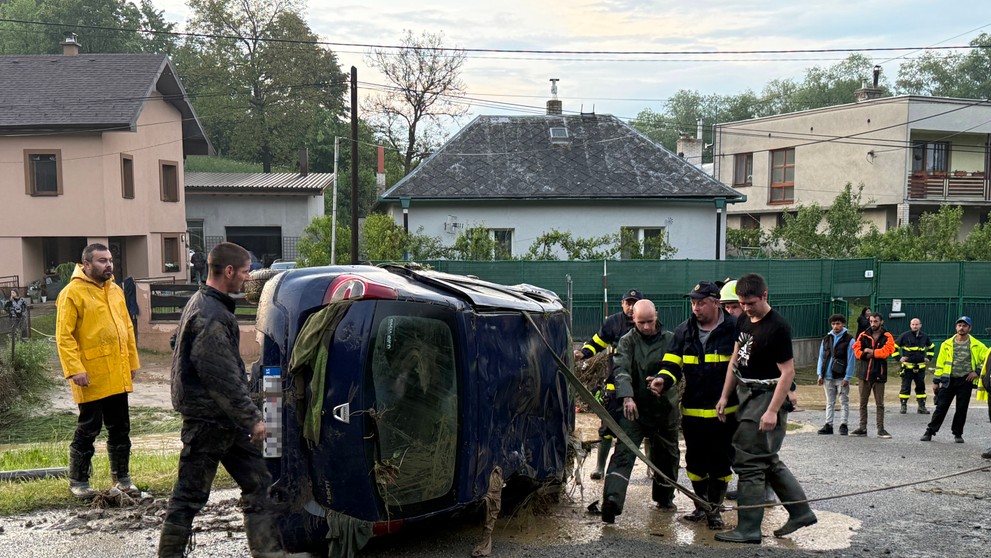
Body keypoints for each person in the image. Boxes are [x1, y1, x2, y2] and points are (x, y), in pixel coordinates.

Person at [159, 242, 284, 557]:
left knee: (258, 482)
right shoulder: (213, 314)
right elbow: (221, 375)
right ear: (228, 271)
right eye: (244, 271)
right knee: (188, 497)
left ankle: (267, 552)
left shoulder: (203, 302)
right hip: (208, 422)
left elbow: (181, 341)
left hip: (223, 422)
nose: (247, 277)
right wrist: (253, 419)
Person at [715, 273, 816, 544]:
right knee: (767, 459)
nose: (746, 308)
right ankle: (801, 511)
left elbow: (787, 372)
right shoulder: (744, 321)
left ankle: (748, 528)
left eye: (751, 303)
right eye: (741, 303)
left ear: (764, 296)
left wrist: (772, 411)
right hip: (745, 393)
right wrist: (725, 396)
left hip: (766, 396)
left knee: (749, 461)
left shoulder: (777, 327)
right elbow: (736, 360)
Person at [649, 281, 737, 529]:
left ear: (715, 303)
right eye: (693, 302)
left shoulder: (734, 330)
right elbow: (672, 365)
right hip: (693, 411)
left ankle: (715, 510)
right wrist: (661, 381)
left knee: (720, 463)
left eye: (701, 303)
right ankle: (701, 506)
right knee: (696, 463)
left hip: (725, 414)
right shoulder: (683, 331)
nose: (695, 308)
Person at [55, 243, 141, 500]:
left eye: (110, 260)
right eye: (102, 260)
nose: (109, 265)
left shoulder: (116, 291)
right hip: (89, 376)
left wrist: (132, 363)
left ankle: (122, 479)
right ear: (87, 264)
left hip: (117, 371)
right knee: (88, 428)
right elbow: (64, 337)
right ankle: (79, 481)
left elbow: (126, 329)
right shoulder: (72, 293)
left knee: (120, 427)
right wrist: (74, 370)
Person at [600, 299, 676, 524]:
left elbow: (675, 367)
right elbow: (621, 368)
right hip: (634, 410)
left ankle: (664, 497)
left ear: (657, 316)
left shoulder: (670, 339)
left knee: (667, 457)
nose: (646, 327)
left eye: (649, 322)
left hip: (664, 409)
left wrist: (663, 379)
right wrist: (627, 396)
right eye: (641, 322)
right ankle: (611, 502)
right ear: (633, 319)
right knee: (623, 453)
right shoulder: (627, 341)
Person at [575, 289, 642, 481]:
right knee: (606, 428)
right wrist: (582, 353)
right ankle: (600, 468)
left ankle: (651, 469)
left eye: (634, 303)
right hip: (614, 387)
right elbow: (597, 342)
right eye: (627, 302)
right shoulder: (613, 323)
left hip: (640, 387)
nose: (630, 307)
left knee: (645, 429)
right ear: (622, 304)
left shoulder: (646, 323)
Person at [920, 317, 989, 444]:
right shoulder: (947, 344)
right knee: (941, 407)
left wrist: (977, 372)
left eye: (964, 325)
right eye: (959, 325)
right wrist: (936, 381)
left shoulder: (977, 345)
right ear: (956, 327)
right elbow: (940, 363)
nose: (961, 328)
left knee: (961, 408)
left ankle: (958, 434)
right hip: (948, 380)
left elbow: (987, 358)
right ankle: (930, 431)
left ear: (970, 328)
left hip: (965, 381)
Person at [851, 313, 896, 438]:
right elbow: (856, 350)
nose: (873, 324)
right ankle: (862, 428)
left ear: (881, 322)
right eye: (871, 321)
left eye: (875, 321)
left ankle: (881, 429)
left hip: (879, 374)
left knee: (880, 404)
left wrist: (872, 352)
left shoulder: (887, 336)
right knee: (862, 403)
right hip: (864, 374)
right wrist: (865, 354)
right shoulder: (863, 334)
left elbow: (888, 351)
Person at [816, 314, 854, 436]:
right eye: (833, 324)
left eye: (838, 323)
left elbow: (851, 359)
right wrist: (819, 374)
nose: (835, 326)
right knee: (829, 401)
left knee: (844, 401)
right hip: (827, 376)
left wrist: (847, 377)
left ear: (843, 324)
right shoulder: (826, 339)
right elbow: (821, 357)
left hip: (841, 376)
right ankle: (828, 424)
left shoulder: (849, 340)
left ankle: (844, 424)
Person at [893, 318, 934, 415]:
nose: (915, 326)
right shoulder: (904, 336)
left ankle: (921, 407)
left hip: (920, 368)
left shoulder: (924, 336)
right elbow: (894, 347)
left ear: (920, 325)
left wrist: (928, 357)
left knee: (921, 387)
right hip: (907, 368)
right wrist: (899, 358)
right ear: (910, 325)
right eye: (913, 324)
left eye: (916, 324)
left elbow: (931, 347)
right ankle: (903, 406)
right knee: (905, 387)